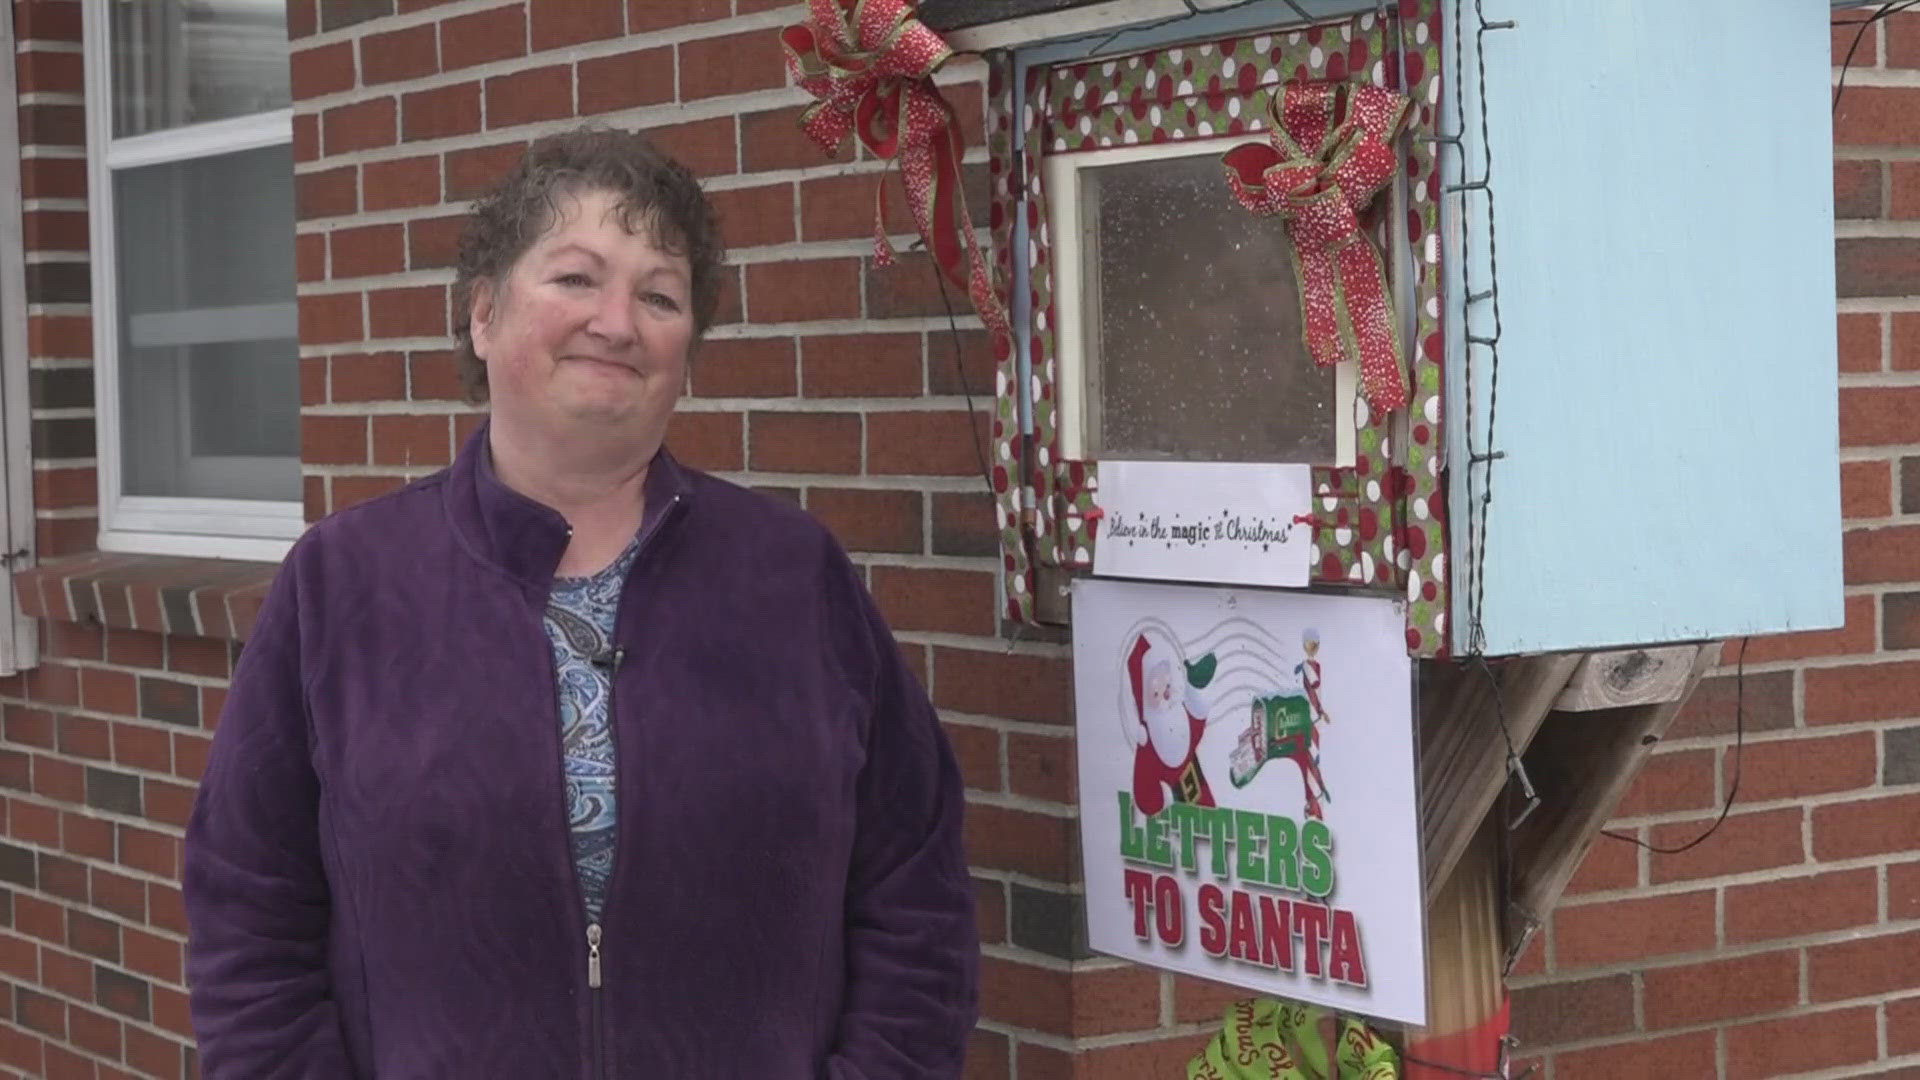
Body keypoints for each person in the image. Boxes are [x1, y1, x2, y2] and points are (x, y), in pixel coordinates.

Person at [183, 126, 980, 1077]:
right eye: (575, 279)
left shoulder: (792, 576)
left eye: (659, 295)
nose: (617, 321)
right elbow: (248, 910)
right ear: (483, 315)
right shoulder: (342, 583)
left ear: (688, 346)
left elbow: (915, 890)